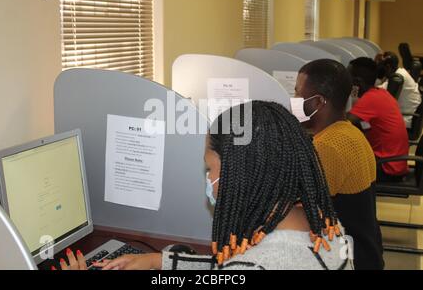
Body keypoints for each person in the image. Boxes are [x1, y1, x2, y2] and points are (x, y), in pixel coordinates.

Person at [58, 101, 352, 270]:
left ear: (242, 177)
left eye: (210, 169)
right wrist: (159, 262)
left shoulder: (257, 265)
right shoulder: (325, 226)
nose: (208, 181)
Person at [293, 59, 384, 270]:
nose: (294, 100)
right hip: (365, 252)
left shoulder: (328, 147)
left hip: (347, 260)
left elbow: (296, 213)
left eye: (298, 94)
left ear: (318, 103)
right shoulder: (349, 133)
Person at [348, 57, 409, 183]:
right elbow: (366, 125)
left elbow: (342, 124)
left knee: (335, 165)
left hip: (386, 168)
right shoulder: (380, 93)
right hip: (395, 163)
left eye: (347, 78)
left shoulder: (370, 99)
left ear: (356, 82)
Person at [377, 52, 421, 128]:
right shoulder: (400, 72)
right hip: (410, 116)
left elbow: (375, 93)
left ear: (388, 66)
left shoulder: (397, 78)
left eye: (380, 65)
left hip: (405, 118)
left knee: (368, 124)